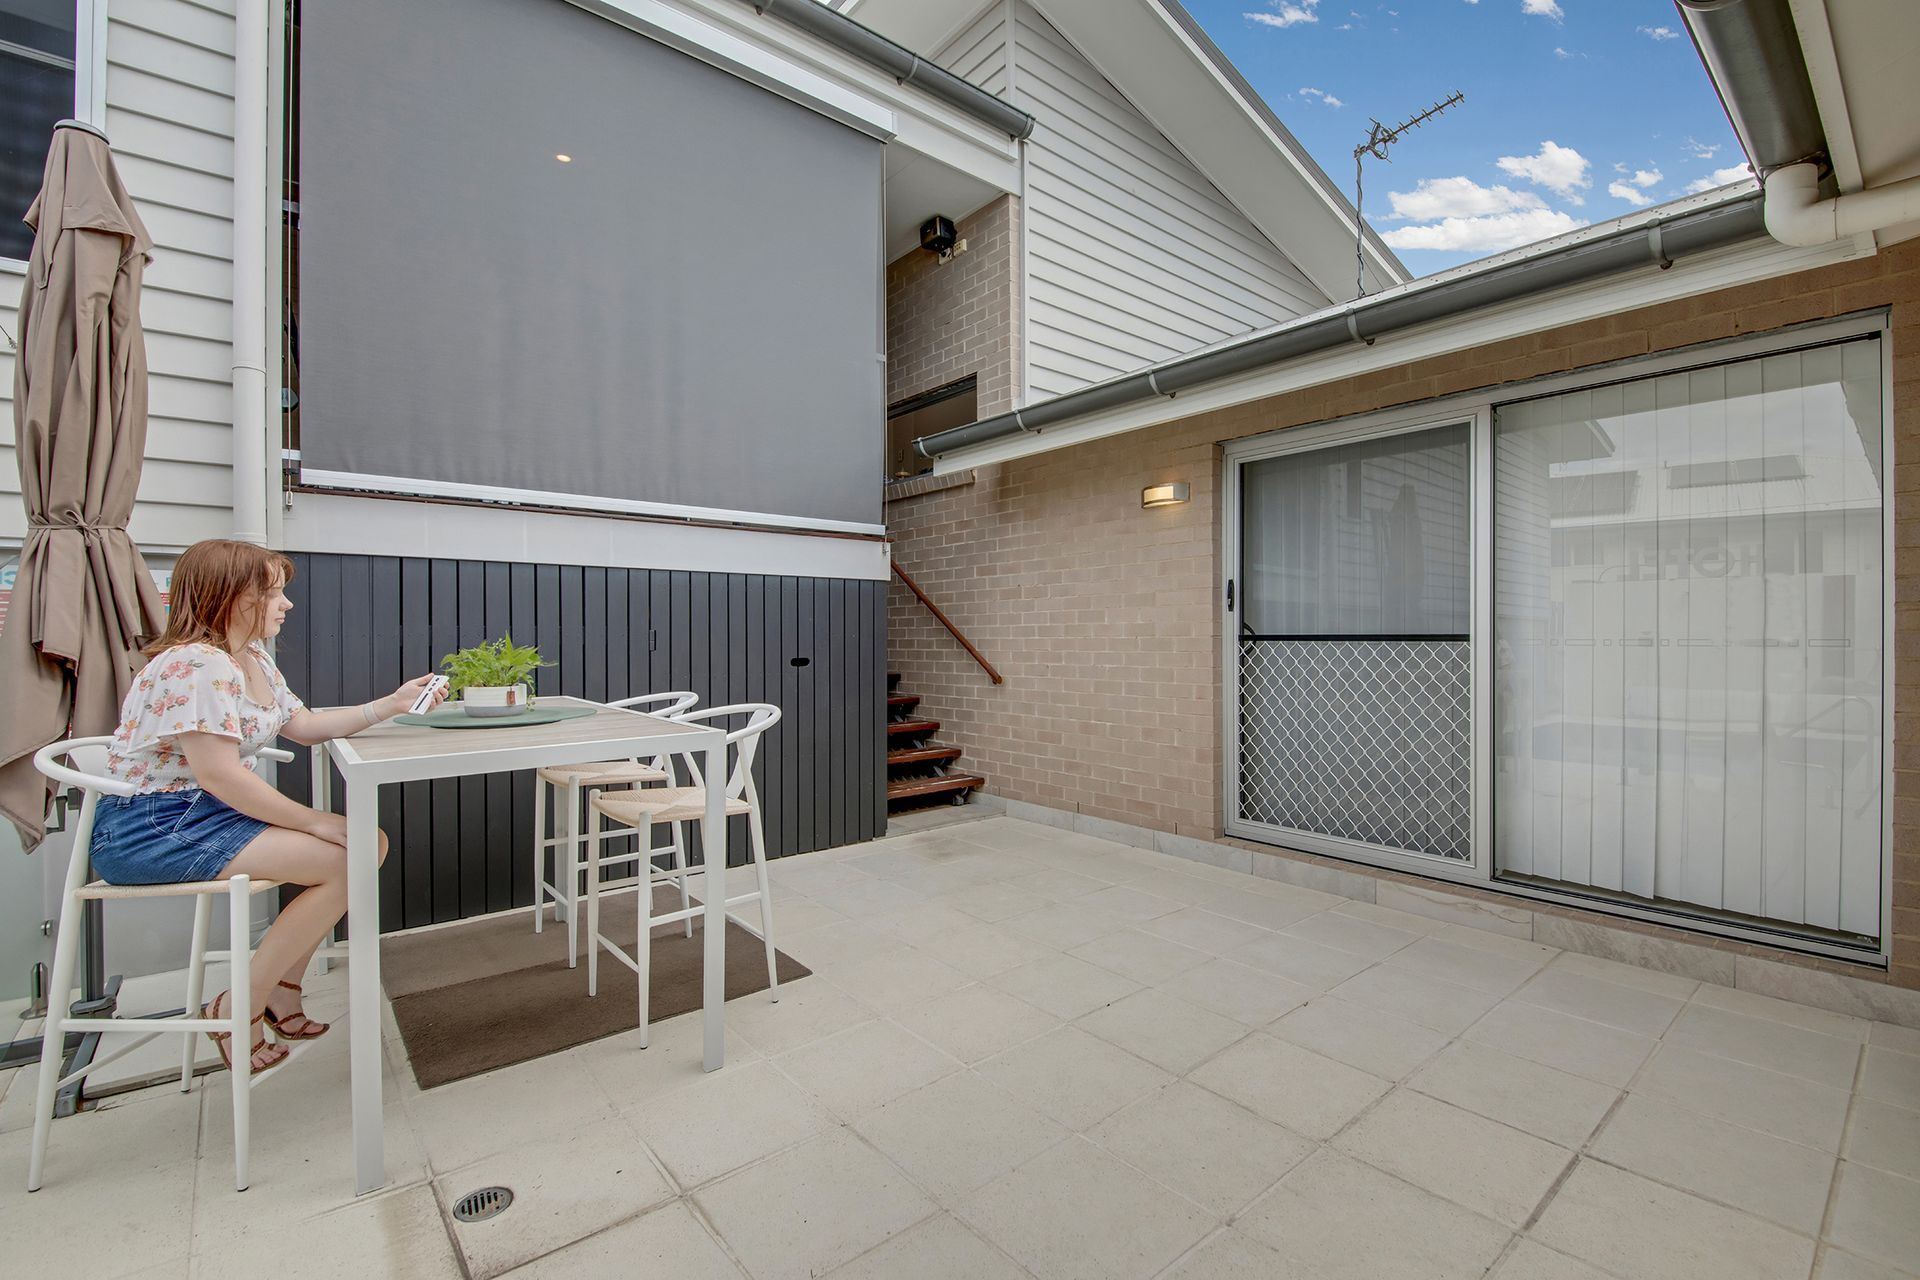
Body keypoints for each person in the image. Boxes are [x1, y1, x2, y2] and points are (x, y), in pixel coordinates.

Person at [89, 539, 447, 1075]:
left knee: (364, 842)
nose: (286, 604)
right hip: (152, 826)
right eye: (272, 592)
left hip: (205, 815)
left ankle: (278, 990)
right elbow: (218, 773)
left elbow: (301, 727)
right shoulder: (195, 665)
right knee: (347, 852)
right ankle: (237, 1008)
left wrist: (391, 705)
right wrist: (313, 820)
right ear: (230, 596)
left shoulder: (250, 658)